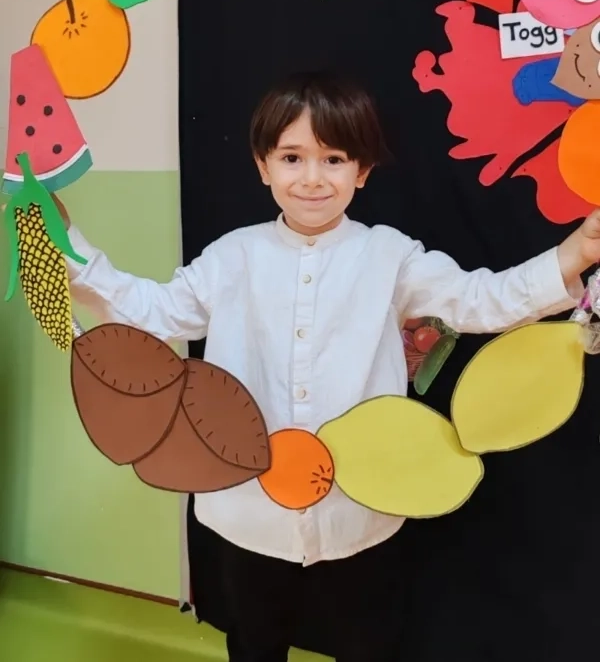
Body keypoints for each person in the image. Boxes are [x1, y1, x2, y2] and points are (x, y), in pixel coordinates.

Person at [57, 71, 600, 662]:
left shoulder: (390, 256)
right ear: (263, 166)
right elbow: (153, 312)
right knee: (255, 639)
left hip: (360, 505)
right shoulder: (232, 256)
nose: (312, 178)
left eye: (334, 159)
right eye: (292, 157)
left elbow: (479, 300)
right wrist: (68, 246)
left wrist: (573, 253)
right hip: (247, 509)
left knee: (368, 641)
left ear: (361, 171)